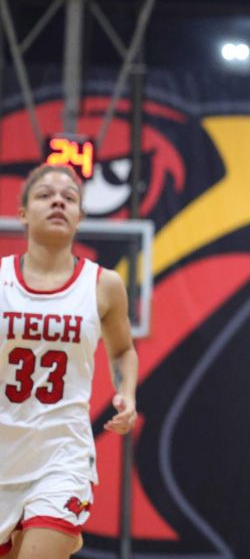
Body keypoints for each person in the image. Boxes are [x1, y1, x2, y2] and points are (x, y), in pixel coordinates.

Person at [1, 165, 139, 559]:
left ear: (80, 216)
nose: (58, 200)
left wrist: (126, 393)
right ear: (23, 213)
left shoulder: (104, 285)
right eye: (44, 194)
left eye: (70, 197)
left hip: (62, 457)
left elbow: (123, 350)